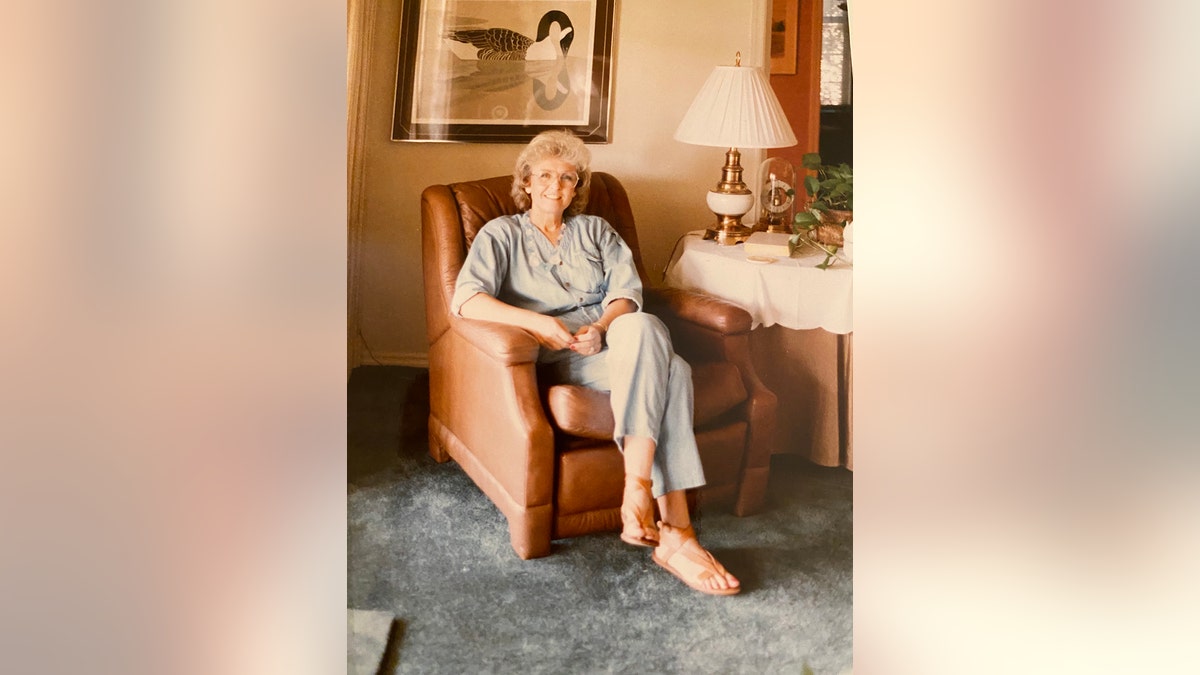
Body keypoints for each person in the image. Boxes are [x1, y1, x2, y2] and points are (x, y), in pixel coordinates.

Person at [451, 130, 740, 596]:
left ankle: (638, 487)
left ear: (576, 186)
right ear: (526, 181)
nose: (556, 186)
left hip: (610, 340)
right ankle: (678, 533)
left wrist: (602, 329)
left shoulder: (596, 231)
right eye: (545, 175)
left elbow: (627, 295)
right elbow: (466, 300)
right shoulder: (500, 234)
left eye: (568, 177)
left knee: (641, 327)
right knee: (675, 372)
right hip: (559, 353)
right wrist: (538, 325)